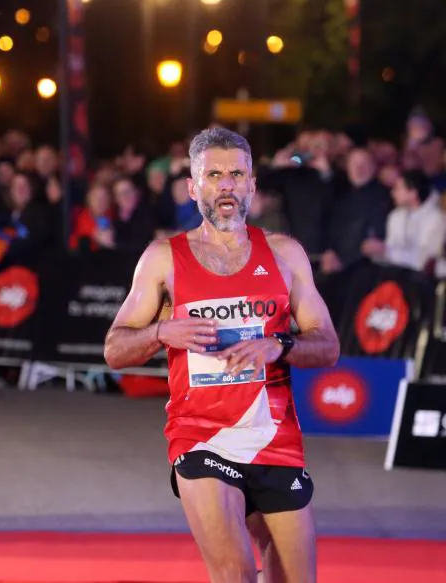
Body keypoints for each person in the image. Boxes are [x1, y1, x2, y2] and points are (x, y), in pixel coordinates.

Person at [104, 127, 339, 583]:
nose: (226, 185)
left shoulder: (285, 254)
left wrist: (282, 344)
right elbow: (114, 349)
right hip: (201, 437)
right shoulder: (163, 258)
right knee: (235, 575)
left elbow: (327, 345)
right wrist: (162, 330)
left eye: (236, 174)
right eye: (213, 175)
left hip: (275, 440)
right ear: (193, 187)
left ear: (253, 185)